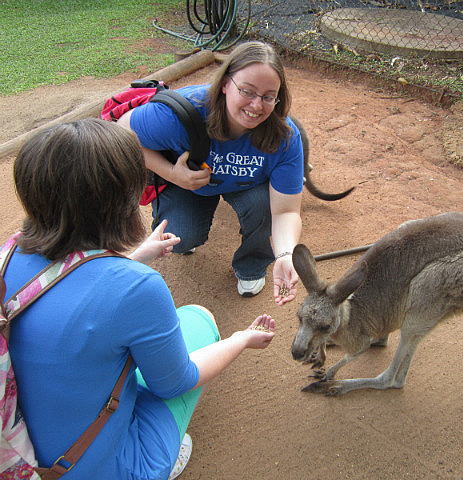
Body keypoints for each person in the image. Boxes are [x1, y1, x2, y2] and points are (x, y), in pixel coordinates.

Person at [4, 118, 276, 480]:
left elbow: (65, 293)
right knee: (197, 320)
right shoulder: (135, 287)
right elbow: (176, 382)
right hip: (92, 469)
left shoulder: (7, 255)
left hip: (15, 454)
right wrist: (240, 339)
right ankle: (159, 459)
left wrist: (131, 258)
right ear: (122, 198)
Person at [117, 40, 303, 305]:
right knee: (180, 240)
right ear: (226, 84)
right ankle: (189, 217)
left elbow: (286, 211)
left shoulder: (284, 136)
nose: (257, 105)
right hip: (188, 180)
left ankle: (252, 265)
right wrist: (171, 173)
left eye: (268, 96)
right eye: (247, 91)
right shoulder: (183, 113)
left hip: (247, 185)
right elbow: (122, 132)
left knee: (264, 206)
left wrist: (285, 254)